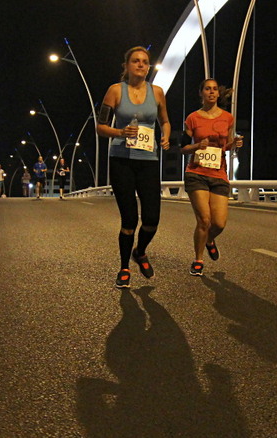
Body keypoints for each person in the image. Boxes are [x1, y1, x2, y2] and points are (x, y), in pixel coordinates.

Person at [96, 45, 171, 289]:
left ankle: (140, 251)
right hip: (121, 160)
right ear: (127, 66)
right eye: (136, 61)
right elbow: (100, 126)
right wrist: (120, 132)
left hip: (148, 161)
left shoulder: (157, 92)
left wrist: (166, 136)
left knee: (151, 219)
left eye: (145, 62)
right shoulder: (115, 90)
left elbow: (165, 121)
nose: (141, 65)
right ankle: (124, 268)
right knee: (129, 220)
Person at [180, 79, 243, 277]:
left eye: (215, 89)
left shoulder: (228, 118)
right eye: (207, 89)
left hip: (219, 174)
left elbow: (226, 146)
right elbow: (183, 148)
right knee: (204, 220)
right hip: (196, 173)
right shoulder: (192, 118)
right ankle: (198, 260)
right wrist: (197, 146)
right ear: (201, 93)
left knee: (219, 224)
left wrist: (234, 144)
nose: (212, 92)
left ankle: (209, 240)